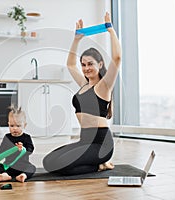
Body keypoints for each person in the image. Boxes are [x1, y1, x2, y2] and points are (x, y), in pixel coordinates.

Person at [43, 12, 122, 175]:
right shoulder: (84, 84)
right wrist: (76, 39)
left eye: (90, 64)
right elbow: (71, 65)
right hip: (84, 141)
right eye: (84, 64)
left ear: (100, 64)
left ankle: (100, 163)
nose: (86, 68)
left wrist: (110, 30)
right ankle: (98, 165)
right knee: (48, 162)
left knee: (61, 166)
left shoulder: (104, 86)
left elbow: (117, 58)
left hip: (101, 145)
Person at [0, 106, 36, 182]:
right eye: (12, 126)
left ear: (24, 125)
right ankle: (4, 175)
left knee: (32, 168)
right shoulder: (7, 137)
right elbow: (1, 149)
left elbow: (30, 149)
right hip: (9, 166)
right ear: (8, 124)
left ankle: (23, 175)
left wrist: (23, 149)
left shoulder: (26, 137)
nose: (15, 128)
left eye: (18, 126)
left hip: (23, 166)